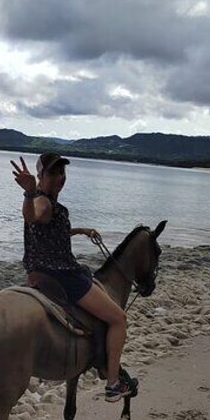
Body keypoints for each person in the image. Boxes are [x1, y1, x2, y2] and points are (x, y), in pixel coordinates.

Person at [11, 153, 135, 402]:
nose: (60, 177)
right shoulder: (42, 202)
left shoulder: (51, 205)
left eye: (62, 173)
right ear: (41, 176)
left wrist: (81, 231)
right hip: (64, 276)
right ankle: (112, 383)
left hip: (38, 274)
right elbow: (32, 216)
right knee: (119, 319)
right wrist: (28, 192)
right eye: (53, 173)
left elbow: (53, 233)